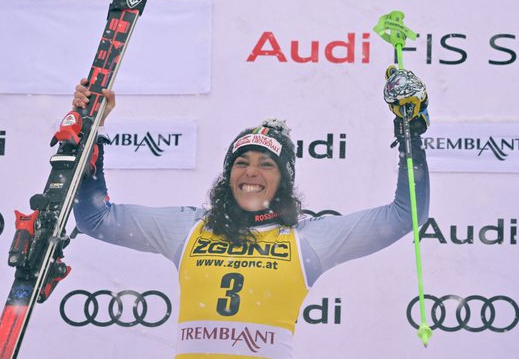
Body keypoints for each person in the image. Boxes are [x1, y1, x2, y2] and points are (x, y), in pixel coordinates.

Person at [72, 67, 430, 359]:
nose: (251, 172)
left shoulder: (307, 240)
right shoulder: (190, 228)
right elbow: (96, 219)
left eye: (266, 164)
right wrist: (93, 130)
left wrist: (409, 130)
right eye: (241, 162)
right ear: (228, 175)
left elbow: (405, 216)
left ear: (284, 180)